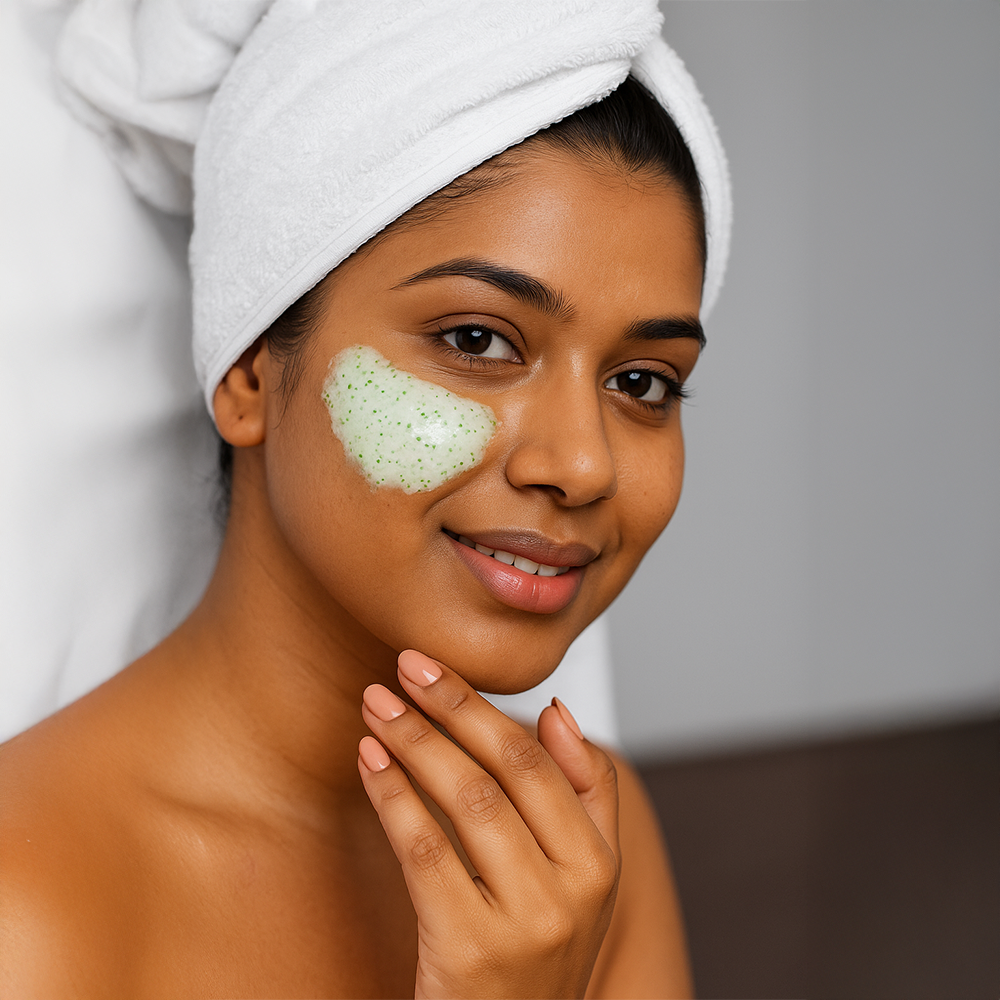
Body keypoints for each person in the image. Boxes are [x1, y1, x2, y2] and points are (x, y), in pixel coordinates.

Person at [0, 2, 730, 997]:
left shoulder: (583, 845)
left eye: (642, 381)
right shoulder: (28, 904)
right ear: (251, 369)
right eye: (477, 340)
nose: (582, 464)